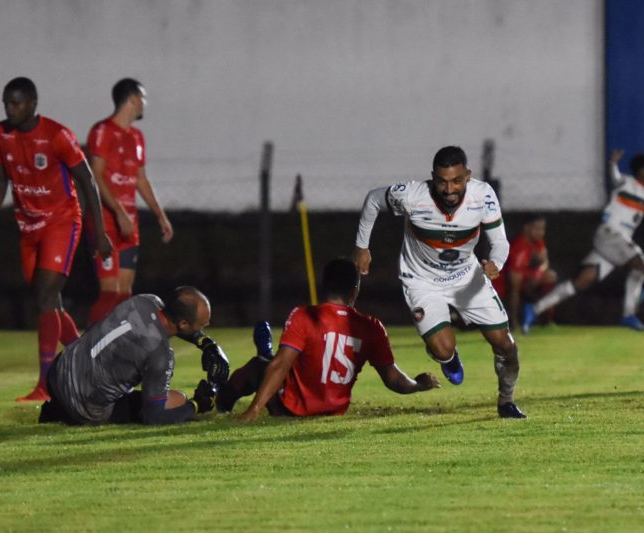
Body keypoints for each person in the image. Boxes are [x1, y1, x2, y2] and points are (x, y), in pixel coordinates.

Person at [353, 146, 527, 419]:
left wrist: (496, 263)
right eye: (442, 182)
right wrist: (362, 247)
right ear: (433, 177)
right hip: (422, 281)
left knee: (506, 345)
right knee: (442, 348)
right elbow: (374, 199)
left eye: (456, 181)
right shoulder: (412, 196)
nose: (449, 189)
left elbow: (500, 242)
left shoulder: (483, 196)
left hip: (467, 276)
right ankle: (448, 357)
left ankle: (506, 401)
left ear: (467, 176)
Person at [0, 77, 113, 402]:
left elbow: (87, 182)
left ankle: (46, 384)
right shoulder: (2, 134)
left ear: (33, 103)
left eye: (16, 103)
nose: (10, 109)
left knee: (44, 297)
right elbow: (0, 181)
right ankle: (90, 362)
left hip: (61, 223)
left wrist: (99, 231)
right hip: (28, 228)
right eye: (6, 103)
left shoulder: (57, 136)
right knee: (49, 303)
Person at [215, 258, 440, 421]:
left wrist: (253, 410)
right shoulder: (372, 326)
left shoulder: (304, 315)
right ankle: (264, 352)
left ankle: (222, 401)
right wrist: (419, 384)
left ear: (324, 287)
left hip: (291, 409)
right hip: (333, 410)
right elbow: (394, 380)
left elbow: (281, 365)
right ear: (354, 292)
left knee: (259, 367)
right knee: (274, 362)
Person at [522, 149, 644, 333]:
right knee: (641, 265)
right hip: (610, 234)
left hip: (614, 243)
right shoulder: (626, 183)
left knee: (583, 280)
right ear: (642, 171)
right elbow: (615, 178)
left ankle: (534, 308)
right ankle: (629, 314)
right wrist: (612, 165)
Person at [39, 286, 230, 425]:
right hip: (84, 408)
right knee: (178, 399)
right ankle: (65, 413)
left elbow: (166, 324)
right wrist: (196, 405)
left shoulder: (145, 300)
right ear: (183, 325)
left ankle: (57, 409)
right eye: (203, 325)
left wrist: (206, 344)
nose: (208, 324)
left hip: (58, 374)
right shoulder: (160, 353)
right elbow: (153, 417)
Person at [86, 78, 174, 324]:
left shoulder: (136, 137)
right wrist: (119, 212)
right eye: (143, 98)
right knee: (109, 291)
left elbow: (141, 180)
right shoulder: (102, 131)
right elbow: (96, 175)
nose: (144, 103)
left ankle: (115, 349)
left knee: (124, 294)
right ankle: (86, 348)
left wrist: (160, 215)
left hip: (129, 224)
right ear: (133, 99)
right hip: (105, 222)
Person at [492, 214, 557, 331]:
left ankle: (547, 320)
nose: (541, 232)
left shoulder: (538, 241)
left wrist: (538, 274)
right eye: (537, 229)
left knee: (550, 277)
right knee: (516, 288)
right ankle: (514, 322)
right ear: (527, 228)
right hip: (502, 288)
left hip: (527, 280)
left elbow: (545, 261)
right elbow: (514, 282)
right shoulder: (519, 247)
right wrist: (531, 283)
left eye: (542, 229)